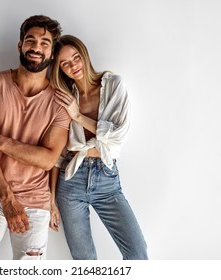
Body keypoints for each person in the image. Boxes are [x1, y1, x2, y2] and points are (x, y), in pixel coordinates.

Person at [0, 15, 71, 260]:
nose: (36, 48)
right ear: (20, 46)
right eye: (30, 40)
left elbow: (47, 159)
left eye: (44, 43)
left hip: (35, 198)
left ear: (52, 53)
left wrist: (1, 141)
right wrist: (7, 199)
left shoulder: (60, 102)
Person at [49, 35, 148, 260]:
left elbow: (117, 134)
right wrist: (51, 198)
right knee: (84, 261)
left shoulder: (113, 84)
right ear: (59, 69)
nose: (73, 65)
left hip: (106, 179)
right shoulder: (63, 98)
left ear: (84, 54)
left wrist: (77, 116)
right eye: (65, 63)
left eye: (76, 57)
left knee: (137, 253)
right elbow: (58, 153)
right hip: (70, 182)